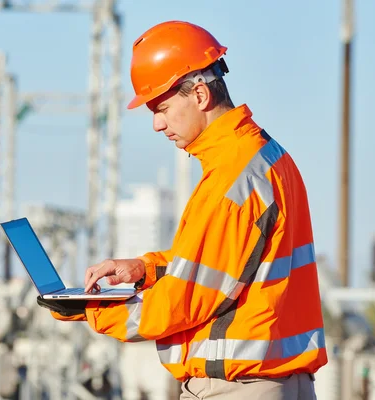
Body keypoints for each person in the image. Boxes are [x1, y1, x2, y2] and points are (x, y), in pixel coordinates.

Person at [37, 20, 328, 399]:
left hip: (238, 388)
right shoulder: (266, 157)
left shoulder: (231, 179)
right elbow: (228, 263)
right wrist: (146, 269)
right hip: (273, 383)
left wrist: (90, 309)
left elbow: (183, 301)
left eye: (162, 108)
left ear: (201, 95)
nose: (158, 124)